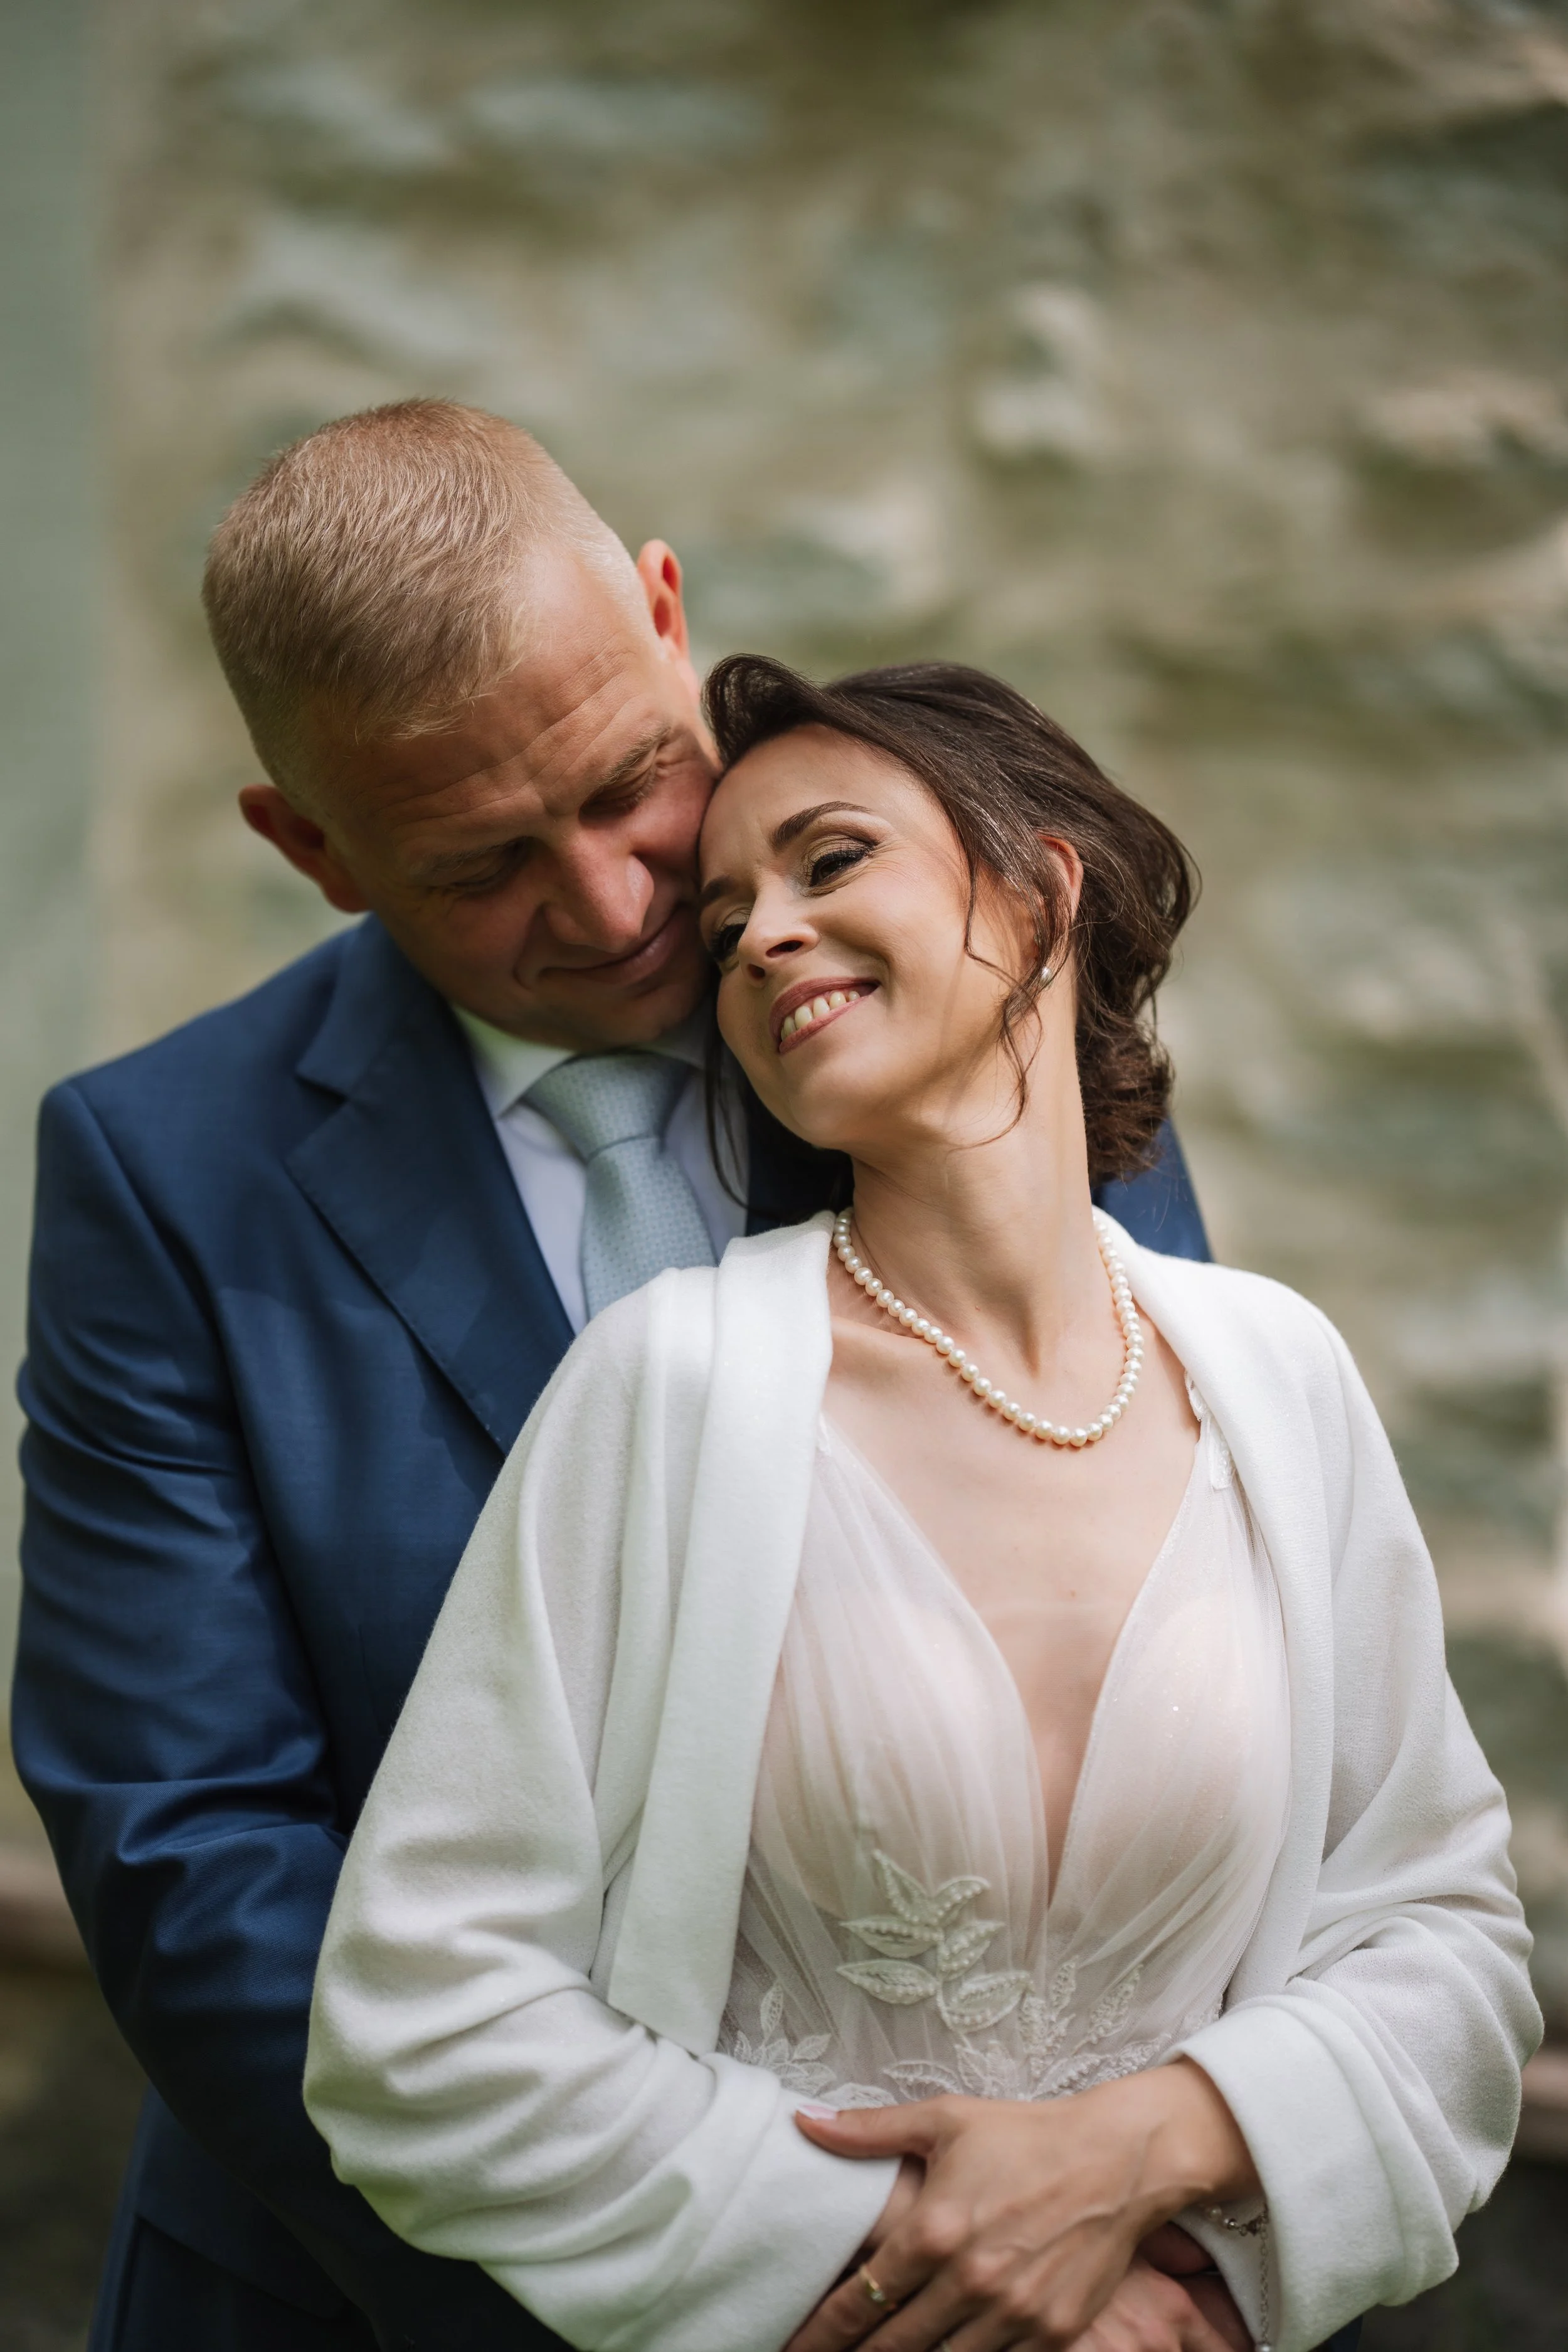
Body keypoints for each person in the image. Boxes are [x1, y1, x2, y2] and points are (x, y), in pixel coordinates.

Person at [10, 403, 1204, 2352]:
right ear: (307, 846)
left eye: (633, 784)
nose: (618, 902)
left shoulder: (988, 995)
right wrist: (808, 2279)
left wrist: (1151, 2210)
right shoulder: (167, 1181)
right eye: (481, 863)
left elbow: (1224, 1634)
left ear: (665, 615)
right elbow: (192, 1846)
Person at [304, 653, 1540, 2352]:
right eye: (727, 916)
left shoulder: (1278, 1376)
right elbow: (418, 2023)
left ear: (1040, 883)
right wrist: (947, 2256)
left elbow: (1448, 1943)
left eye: (826, 860)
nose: (758, 939)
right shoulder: (663, 1390)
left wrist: (1148, 2148)